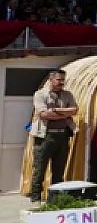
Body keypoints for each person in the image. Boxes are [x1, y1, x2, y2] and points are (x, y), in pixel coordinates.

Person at [29, 70, 78, 202]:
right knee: (40, 169)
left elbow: (75, 110)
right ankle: (36, 198)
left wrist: (56, 110)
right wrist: (65, 112)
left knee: (59, 170)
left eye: (63, 80)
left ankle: (55, 198)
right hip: (45, 136)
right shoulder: (40, 94)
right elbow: (43, 114)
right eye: (59, 80)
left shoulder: (67, 94)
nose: (62, 83)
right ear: (51, 80)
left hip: (62, 136)